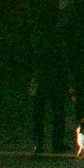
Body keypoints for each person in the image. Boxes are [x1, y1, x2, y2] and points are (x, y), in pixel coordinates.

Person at [28, 18, 70, 155]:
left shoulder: (36, 39)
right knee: (58, 112)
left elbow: (30, 59)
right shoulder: (58, 39)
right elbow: (63, 61)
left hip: (40, 78)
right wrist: (66, 81)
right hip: (56, 79)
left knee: (38, 113)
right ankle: (57, 143)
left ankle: (37, 143)